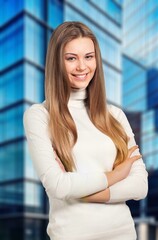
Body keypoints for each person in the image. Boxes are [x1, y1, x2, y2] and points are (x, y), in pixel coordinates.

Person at [23, 21, 148, 240]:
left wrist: (79, 191)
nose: (82, 67)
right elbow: (58, 186)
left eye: (89, 57)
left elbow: (140, 185)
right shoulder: (40, 115)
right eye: (71, 58)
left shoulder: (115, 116)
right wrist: (117, 175)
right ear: (57, 63)